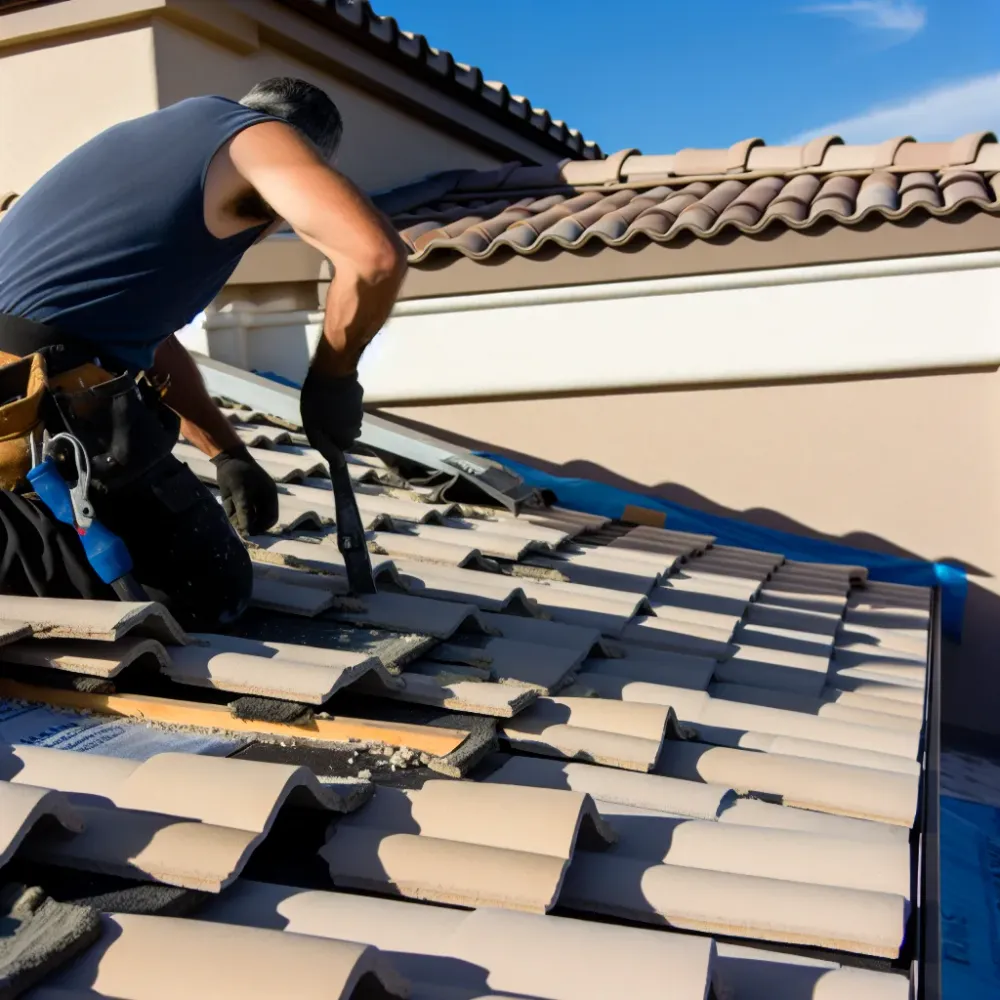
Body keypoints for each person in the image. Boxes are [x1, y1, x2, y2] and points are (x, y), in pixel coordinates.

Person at [0, 78, 407, 629]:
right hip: (25, 396)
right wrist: (333, 378)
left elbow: (149, 338)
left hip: (38, 380)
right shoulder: (259, 138)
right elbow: (375, 257)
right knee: (199, 590)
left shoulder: (167, 148)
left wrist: (227, 452)